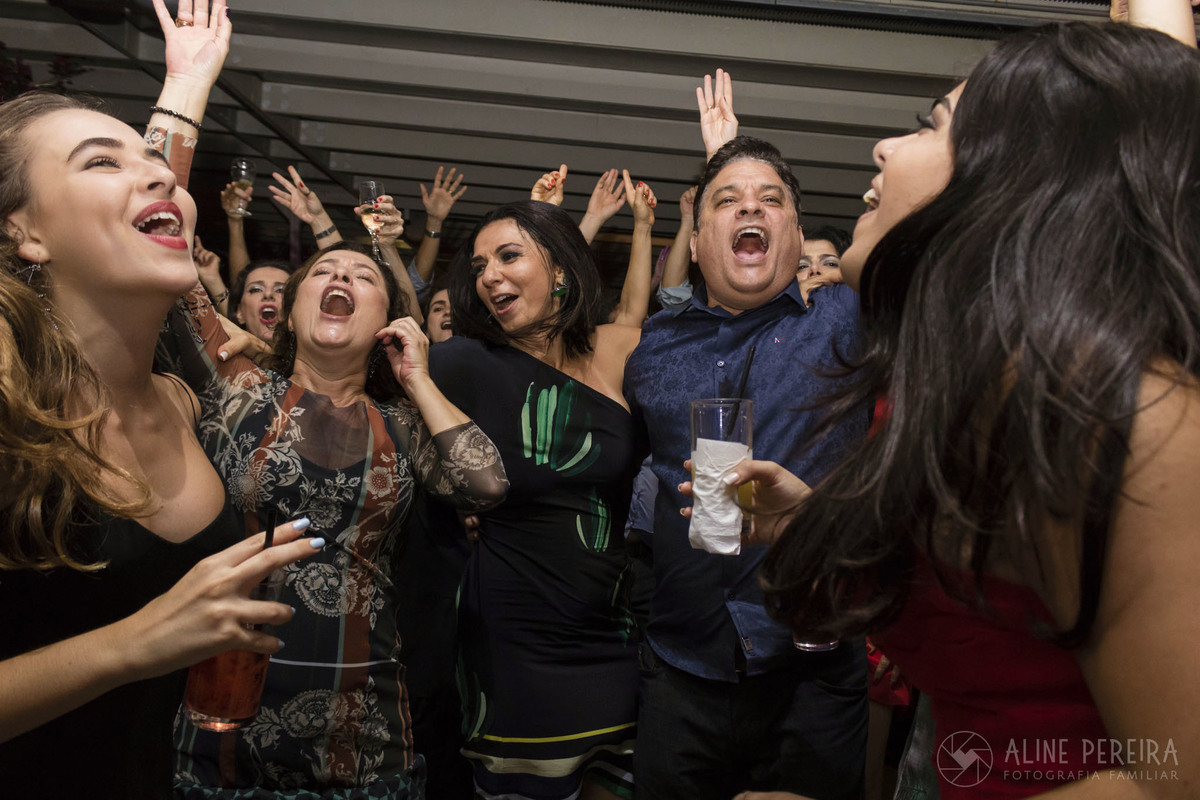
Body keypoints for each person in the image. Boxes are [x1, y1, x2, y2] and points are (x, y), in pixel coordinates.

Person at [726, 4, 1200, 799]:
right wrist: (812, 518)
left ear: (1025, 173)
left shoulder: (1109, 413)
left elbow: (1173, 779)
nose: (884, 145)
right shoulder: (955, 375)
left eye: (930, 123)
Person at [0, 2, 325, 797]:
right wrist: (137, 643)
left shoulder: (183, 399)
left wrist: (186, 80)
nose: (157, 178)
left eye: (154, 164)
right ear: (23, 234)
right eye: (98, 162)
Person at [166, 239, 509, 796]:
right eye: (324, 271)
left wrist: (417, 378)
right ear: (295, 310)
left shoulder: (401, 422)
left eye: (364, 277)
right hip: (226, 701)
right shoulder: (238, 389)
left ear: (387, 322)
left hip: (362, 718)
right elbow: (172, 270)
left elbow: (486, 484)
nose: (342, 277)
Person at [622, 134, 868, 800]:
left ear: (794, 228)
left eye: (771, 200)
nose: (749, 210)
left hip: (810, 669)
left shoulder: (849, 319)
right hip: (681, 666)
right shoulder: (653, 347)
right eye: (726, 203)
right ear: (697, 243)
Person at [429, 183, 656, 800]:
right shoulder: (463, 363)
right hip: (514, 637)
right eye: (479, 266)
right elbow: (349, 368)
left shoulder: (620, 348)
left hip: (615, 628)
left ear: (558, 267)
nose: (489, 277)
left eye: (508, 257)